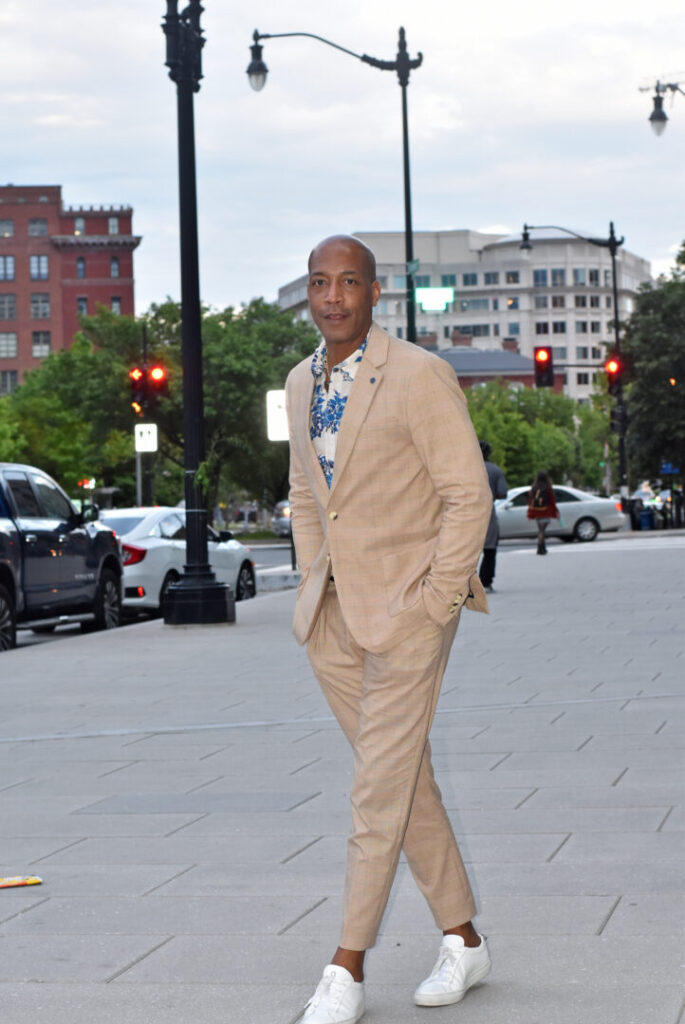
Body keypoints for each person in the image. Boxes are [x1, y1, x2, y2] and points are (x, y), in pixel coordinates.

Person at [285, 234, 492, 1024]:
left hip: (409, 611)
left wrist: (435, 600)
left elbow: (466, 496)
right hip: (332, 615)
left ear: (375, 294)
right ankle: (464, 939)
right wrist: (313, 584)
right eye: (318, 283)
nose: (332, 296)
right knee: (405, 778)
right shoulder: (301, 381)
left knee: (376, 789)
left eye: (347, 282)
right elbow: (308, 494)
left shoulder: (417, 375)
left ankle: (345, 969)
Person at [478, 441, 508, 593]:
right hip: (487, 513)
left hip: (464, 513)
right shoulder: (496, 471)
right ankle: (486, 580)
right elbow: (503, 493)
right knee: (490, 549)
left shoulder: (464, 470)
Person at [526, 470, 559, 554]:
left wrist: (530, 512)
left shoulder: (534, 487)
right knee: (542, 531)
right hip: (545, 511)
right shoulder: (547, 487)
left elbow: (530, 500)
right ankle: (540, 548)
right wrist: (555, 511)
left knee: (541, 530)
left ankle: (543, 547)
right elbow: (552, 500)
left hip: (537, 512)